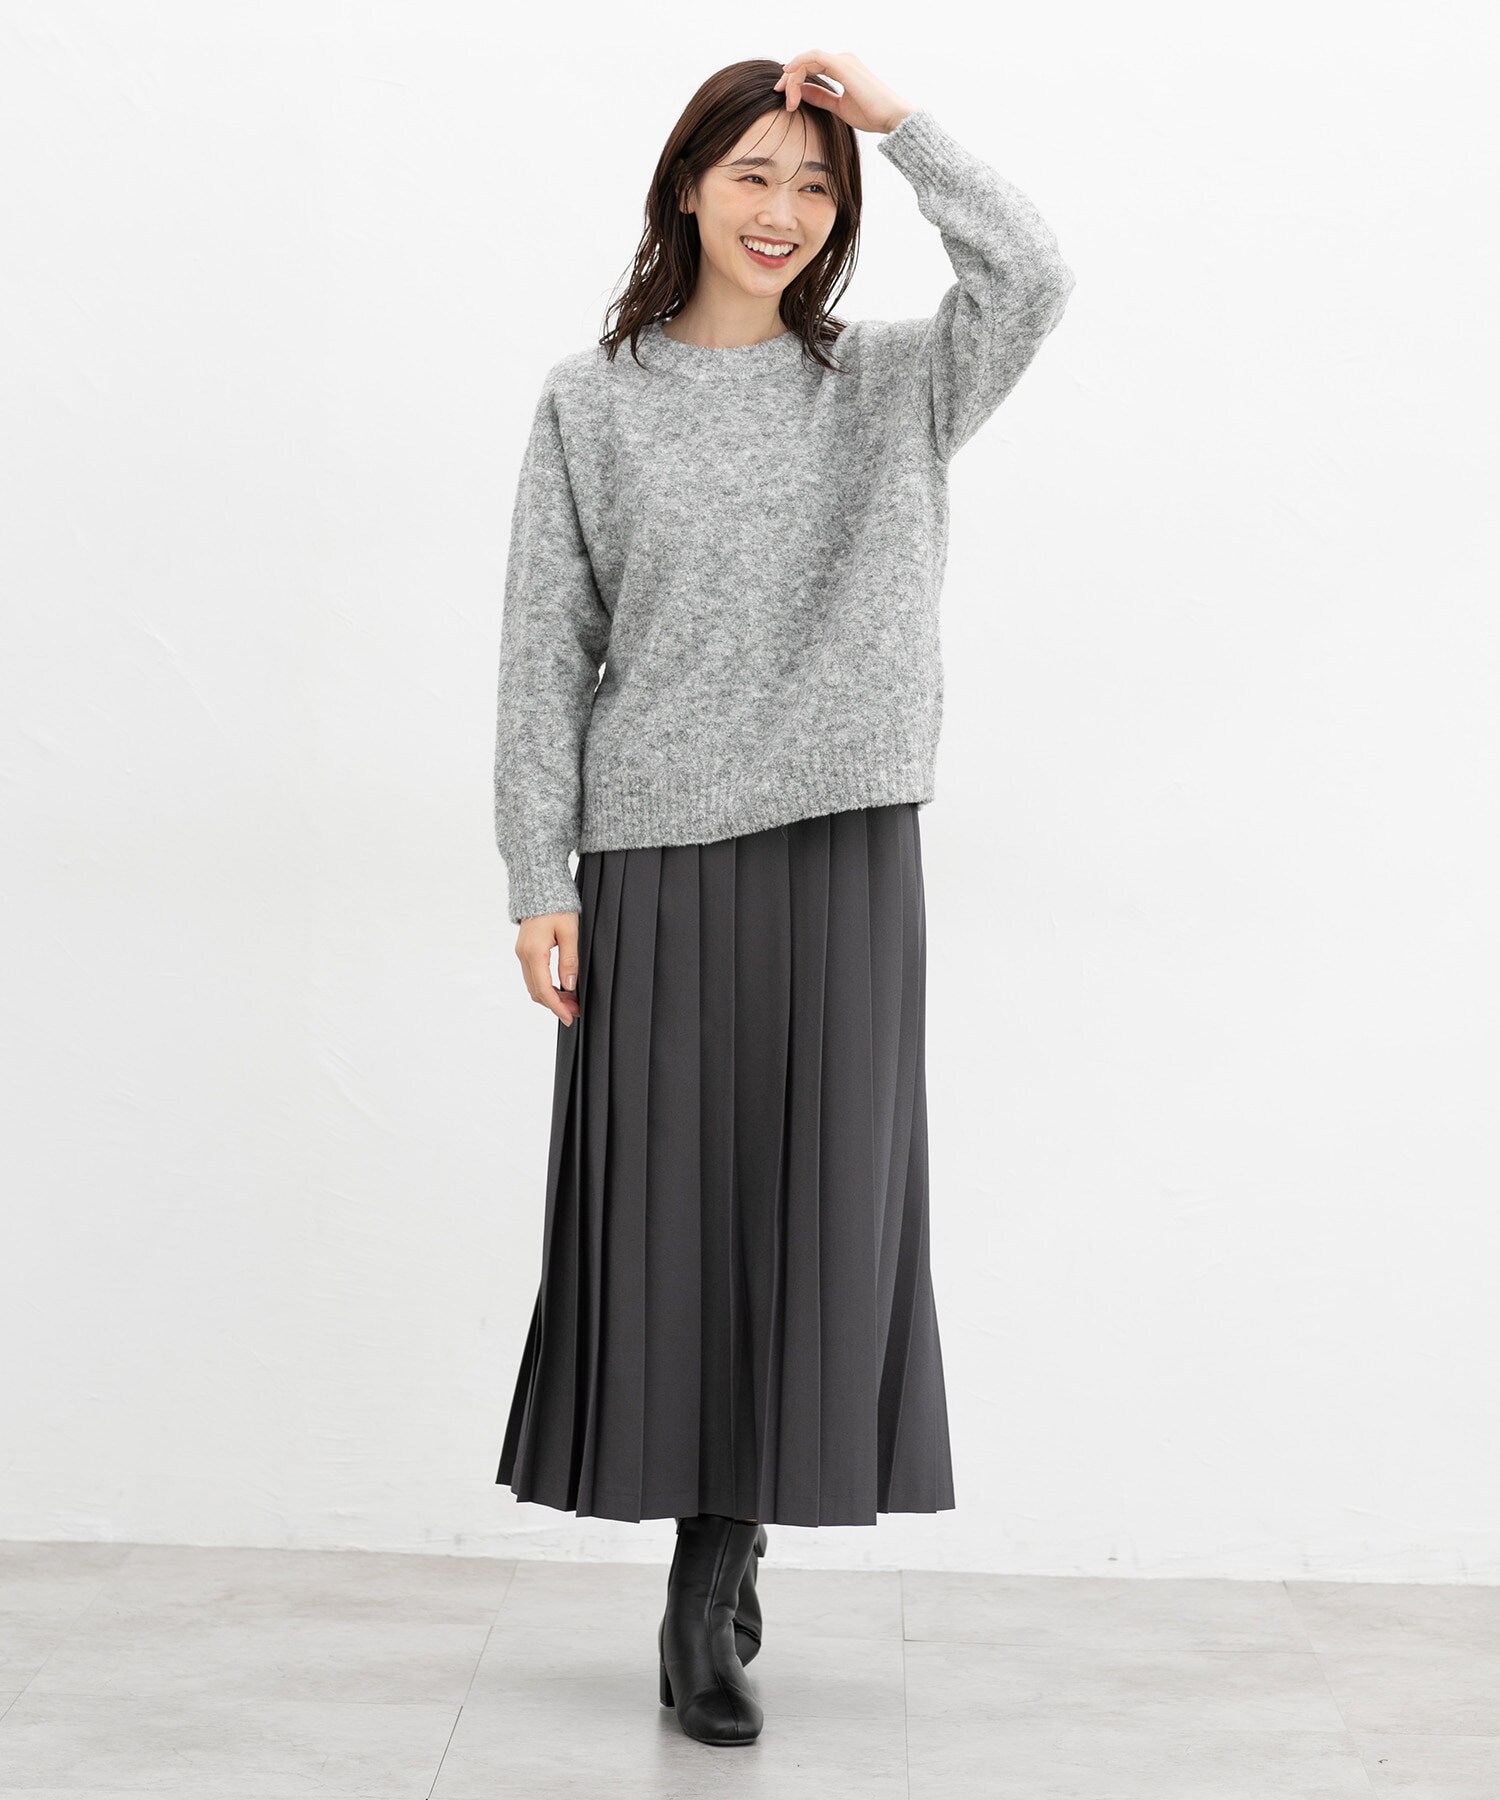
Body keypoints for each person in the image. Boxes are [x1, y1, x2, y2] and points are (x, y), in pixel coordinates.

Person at [490, 48, 1076, 1748]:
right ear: (688, 184)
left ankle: (719, 1565)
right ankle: (703, 1555)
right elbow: (544, 652)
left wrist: (901, 125)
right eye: (753, 172)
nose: (783, 210)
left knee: (815, 1211)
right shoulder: (590, 403)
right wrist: (538, 871)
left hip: (843, 848)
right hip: (656, 852)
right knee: (672, 1216)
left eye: (816, 185)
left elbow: (1035, 275)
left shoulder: (893, 384)